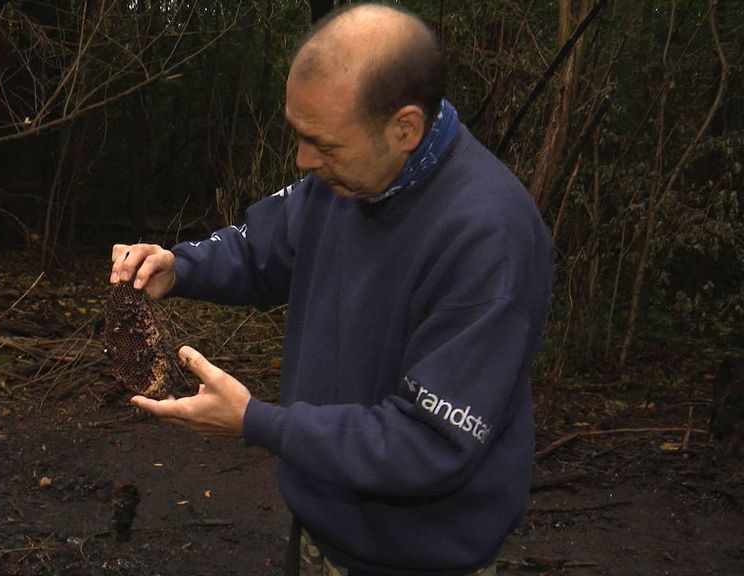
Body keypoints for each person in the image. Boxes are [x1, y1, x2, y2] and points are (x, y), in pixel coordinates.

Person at [109, 4, 554, 575]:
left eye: (322, 144)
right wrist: (181, 267)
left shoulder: (488, 238)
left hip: (416, 556)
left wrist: (257, 421)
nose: (303, 161)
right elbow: (261, 248)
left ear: (405, 128)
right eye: (299, 136)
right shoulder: (343, 180)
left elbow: (429, 441)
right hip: (324, 523)